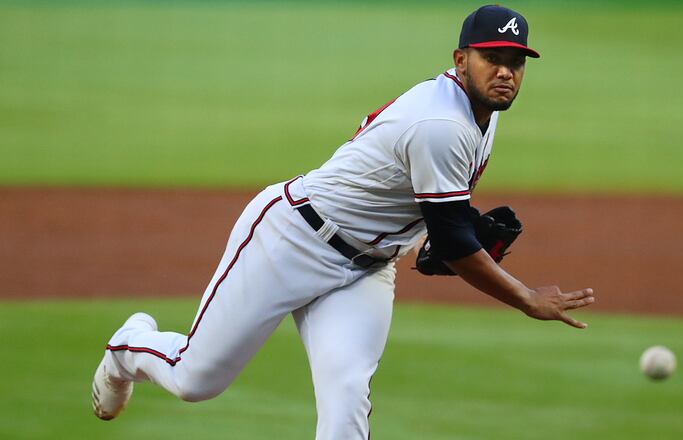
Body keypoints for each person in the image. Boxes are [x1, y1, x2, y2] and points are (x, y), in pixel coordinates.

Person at [91, 5, 595, 439]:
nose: (505, 72)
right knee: (196, 380)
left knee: (346, 396)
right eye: (492, 59)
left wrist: (425, 244)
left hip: (364, 268)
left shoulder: (484, 111)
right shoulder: (441, 123)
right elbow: (453, 236)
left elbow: (428, 211)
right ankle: (125, 348)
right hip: (292, 239)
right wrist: (525, 297)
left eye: (515, 62)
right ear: (460, 60)